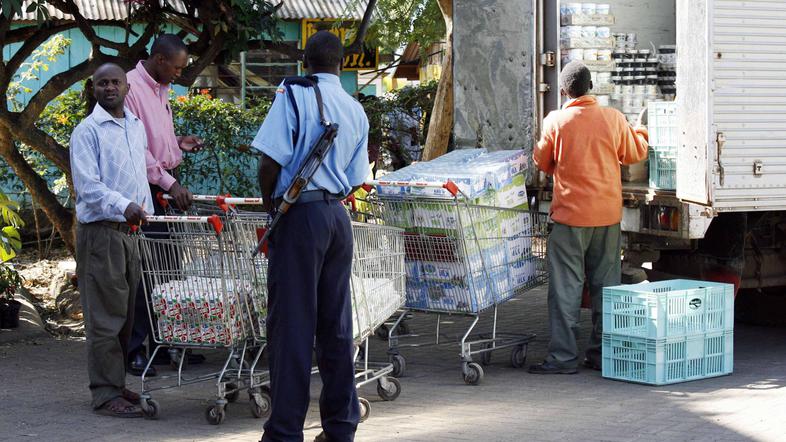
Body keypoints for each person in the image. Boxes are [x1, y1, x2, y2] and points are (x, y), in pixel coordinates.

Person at [253, 31, 369, 442]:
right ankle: (341, 427)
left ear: (305, 61)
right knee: (336, 326)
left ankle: (284, 432)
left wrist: (271, 204)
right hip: (338, 219)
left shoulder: (294, 94)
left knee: (292, 326)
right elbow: (356, 179)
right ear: (341, 64)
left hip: (300, 217)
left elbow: (269, 161)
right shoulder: (356, 109)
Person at [529, 61, 649, 374]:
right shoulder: (613, 118)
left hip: (570, 219)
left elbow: (542, 160)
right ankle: (601, 354)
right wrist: (640, 130)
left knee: (566, 290)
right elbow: (635, 153)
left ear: (564, 90)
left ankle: (564, 358)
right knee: (606, 288)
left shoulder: (556, 120)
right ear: (591, 86)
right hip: (607, 218)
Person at [70, 63, 153, 417]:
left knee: (125, 314)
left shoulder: (134, 126)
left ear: (126, 87)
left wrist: (145, 208)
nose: (109, 88)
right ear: (93, 89)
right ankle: (104, 394)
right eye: (102, 83)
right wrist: (125, 205)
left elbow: (139, 174)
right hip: (101, 232)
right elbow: (88, 188)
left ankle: (116, 384)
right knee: (105, 317)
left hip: (130, 233)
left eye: (115, 82)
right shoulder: (87, 131)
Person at [124, 34, 204, 376]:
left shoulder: (161, 87)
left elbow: (156, 140)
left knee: (169, 270)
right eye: (177, 67)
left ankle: (165, 343)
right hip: (146, 191)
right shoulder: (128, 87)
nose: (179, 74)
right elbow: (135, 149)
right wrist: (171, 183)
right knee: (146, 273)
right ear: (158, 59)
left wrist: (177, 143)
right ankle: (134, 349)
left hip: (165, 187)